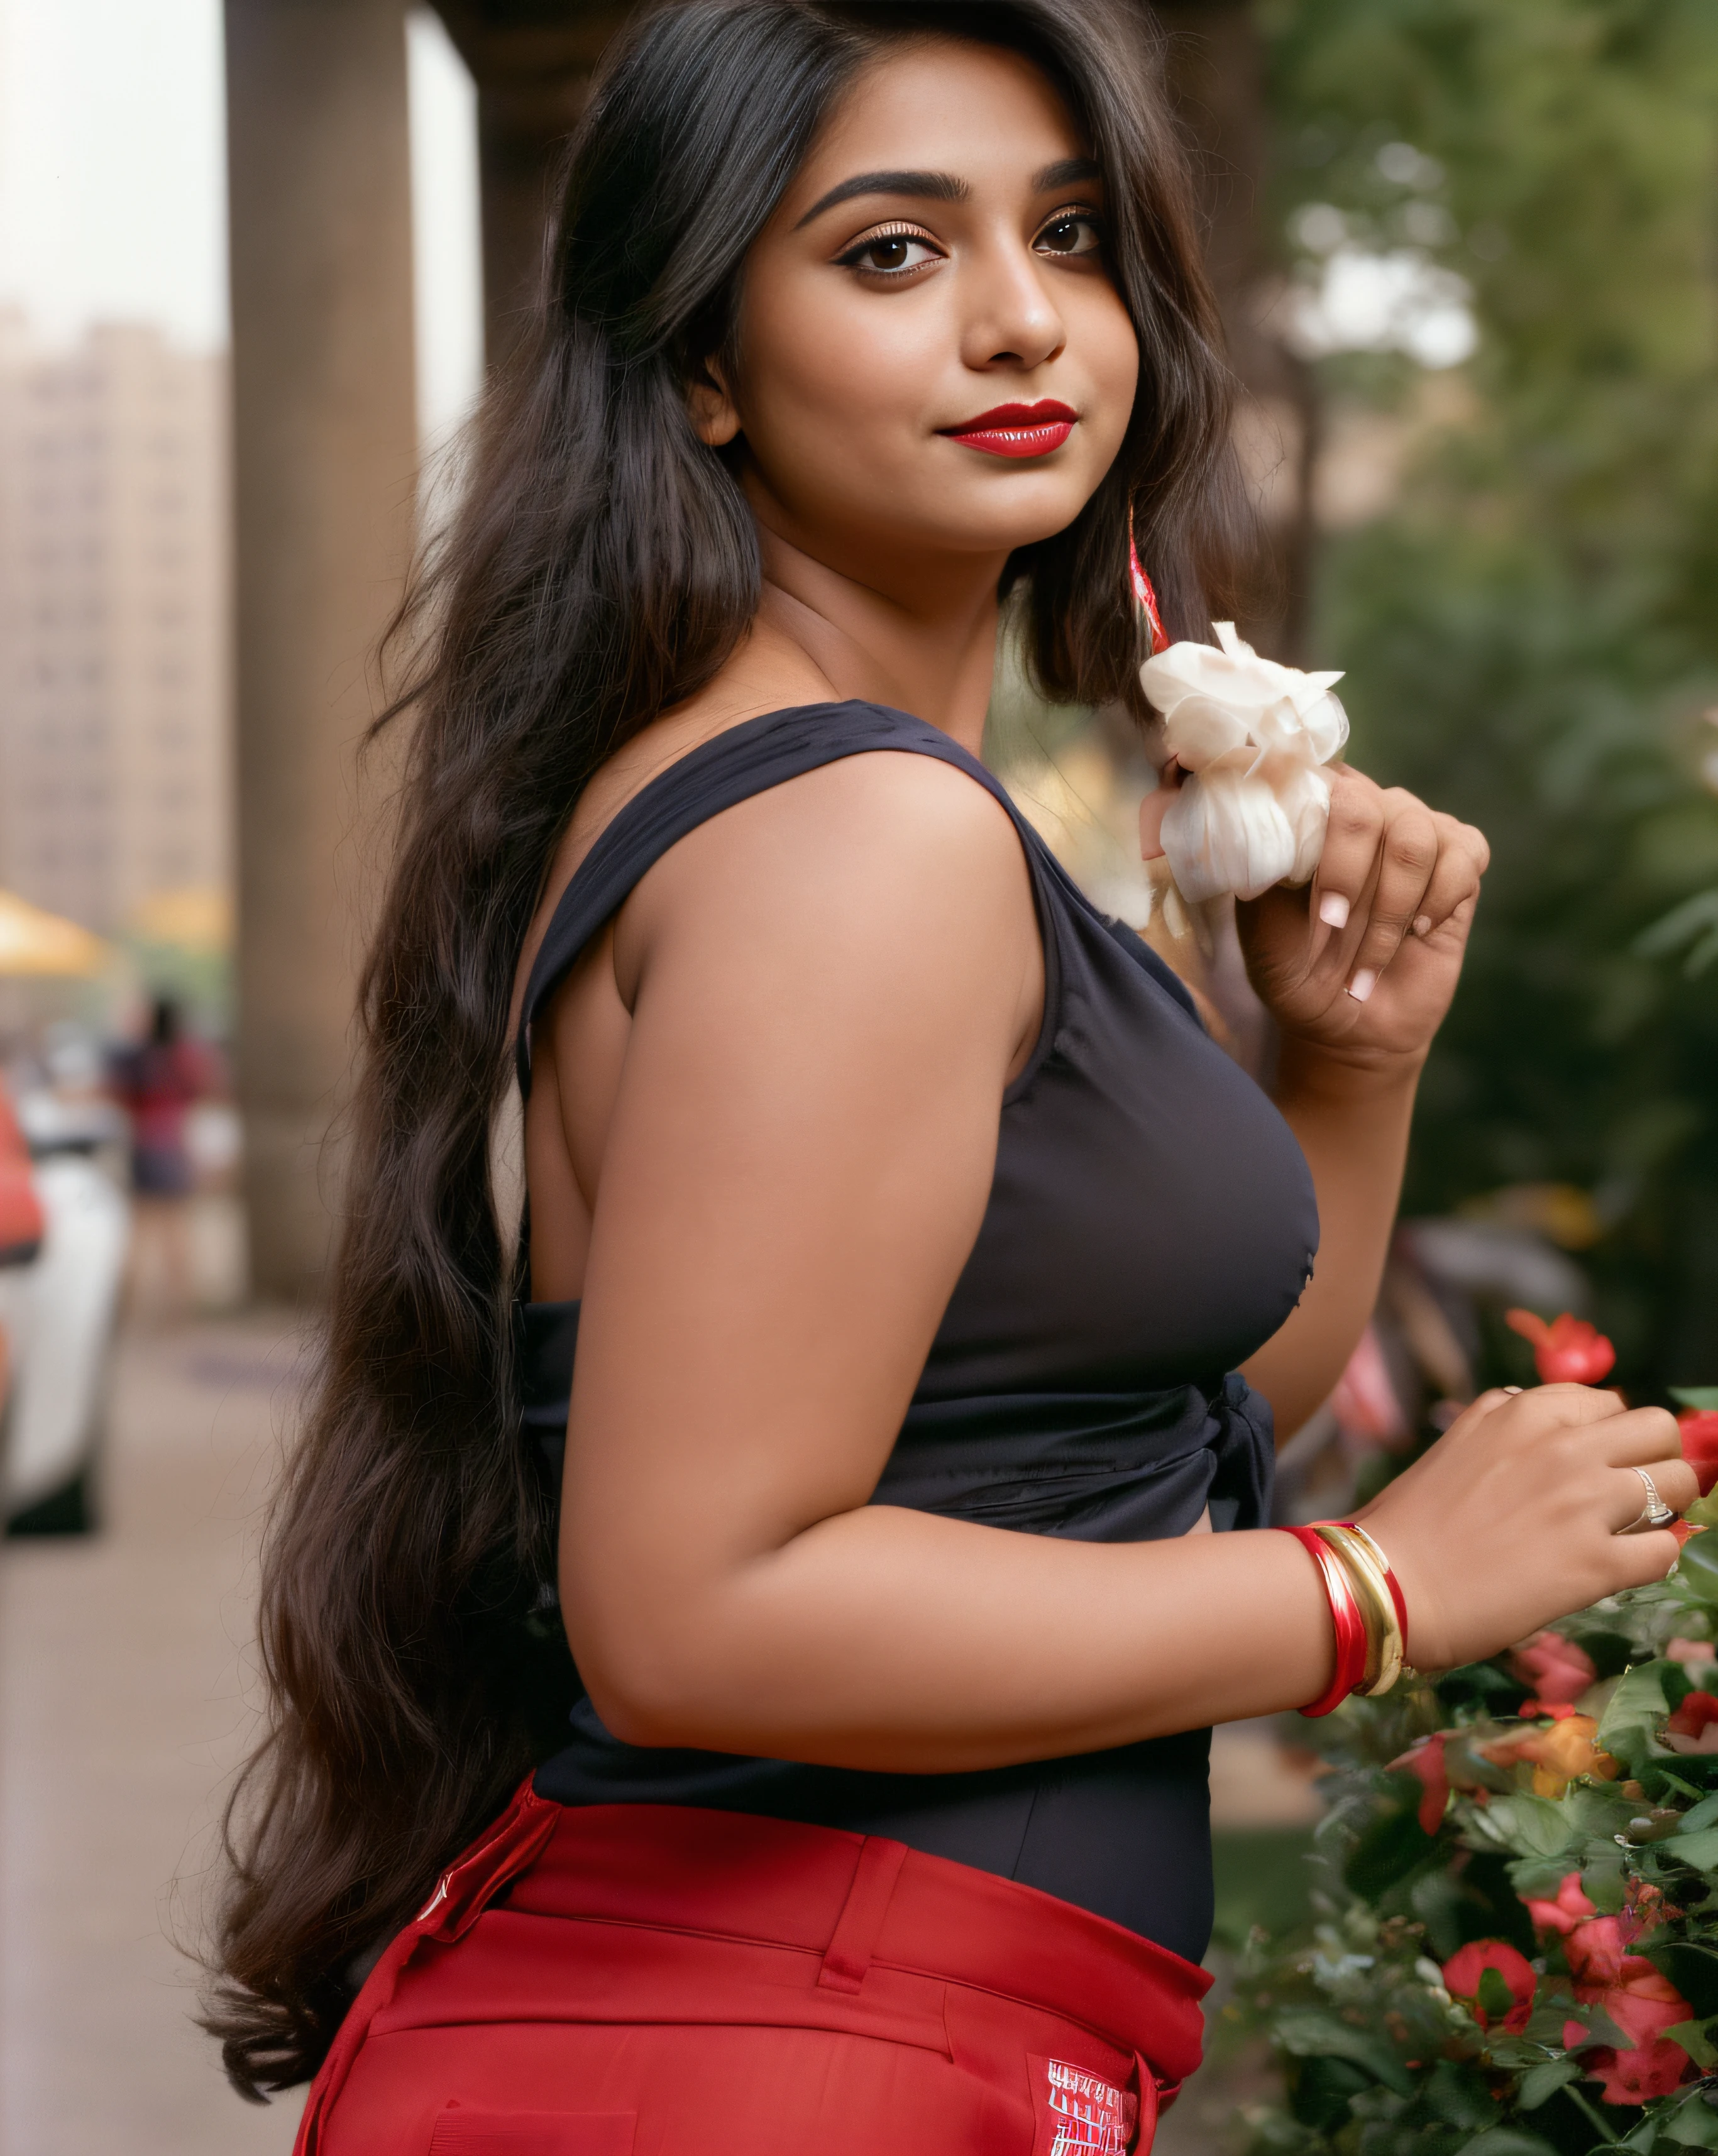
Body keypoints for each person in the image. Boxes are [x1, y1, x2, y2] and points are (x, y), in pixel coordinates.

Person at [206, 4, 1694, 2149]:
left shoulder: (873, 815)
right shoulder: (855, 838)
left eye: (1070, 234)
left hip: (848, 2032)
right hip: (779, 2049)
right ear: (703, 360)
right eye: (891, 252)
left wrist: (1343, 1068)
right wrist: (1374, 1588)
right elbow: (697, 1608)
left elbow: (1117, 1453)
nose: (1020, 321)